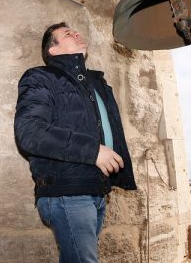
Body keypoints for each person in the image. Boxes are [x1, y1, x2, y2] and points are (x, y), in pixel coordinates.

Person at [14, 22, 137, 262]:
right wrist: (93, 152)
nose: (77, 34)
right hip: (67, 191)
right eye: (68, 34)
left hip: (95, 190)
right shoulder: (40, 77)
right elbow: (29, 132)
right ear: (53, 50)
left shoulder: (97, 85)